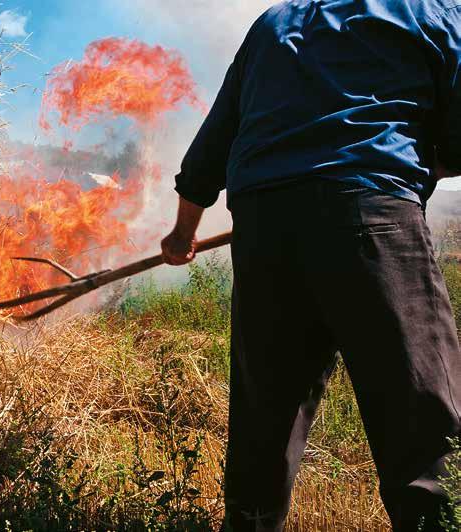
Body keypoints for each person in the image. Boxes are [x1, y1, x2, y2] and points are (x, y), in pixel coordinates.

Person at [161, 1, 461, 530]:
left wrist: (183, 233)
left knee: (265, 420)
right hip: (370, 216)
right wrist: (420, 166)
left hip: (263, 227)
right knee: (423, 426)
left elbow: (212, 145)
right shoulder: (432, 10)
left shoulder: (275, 22)